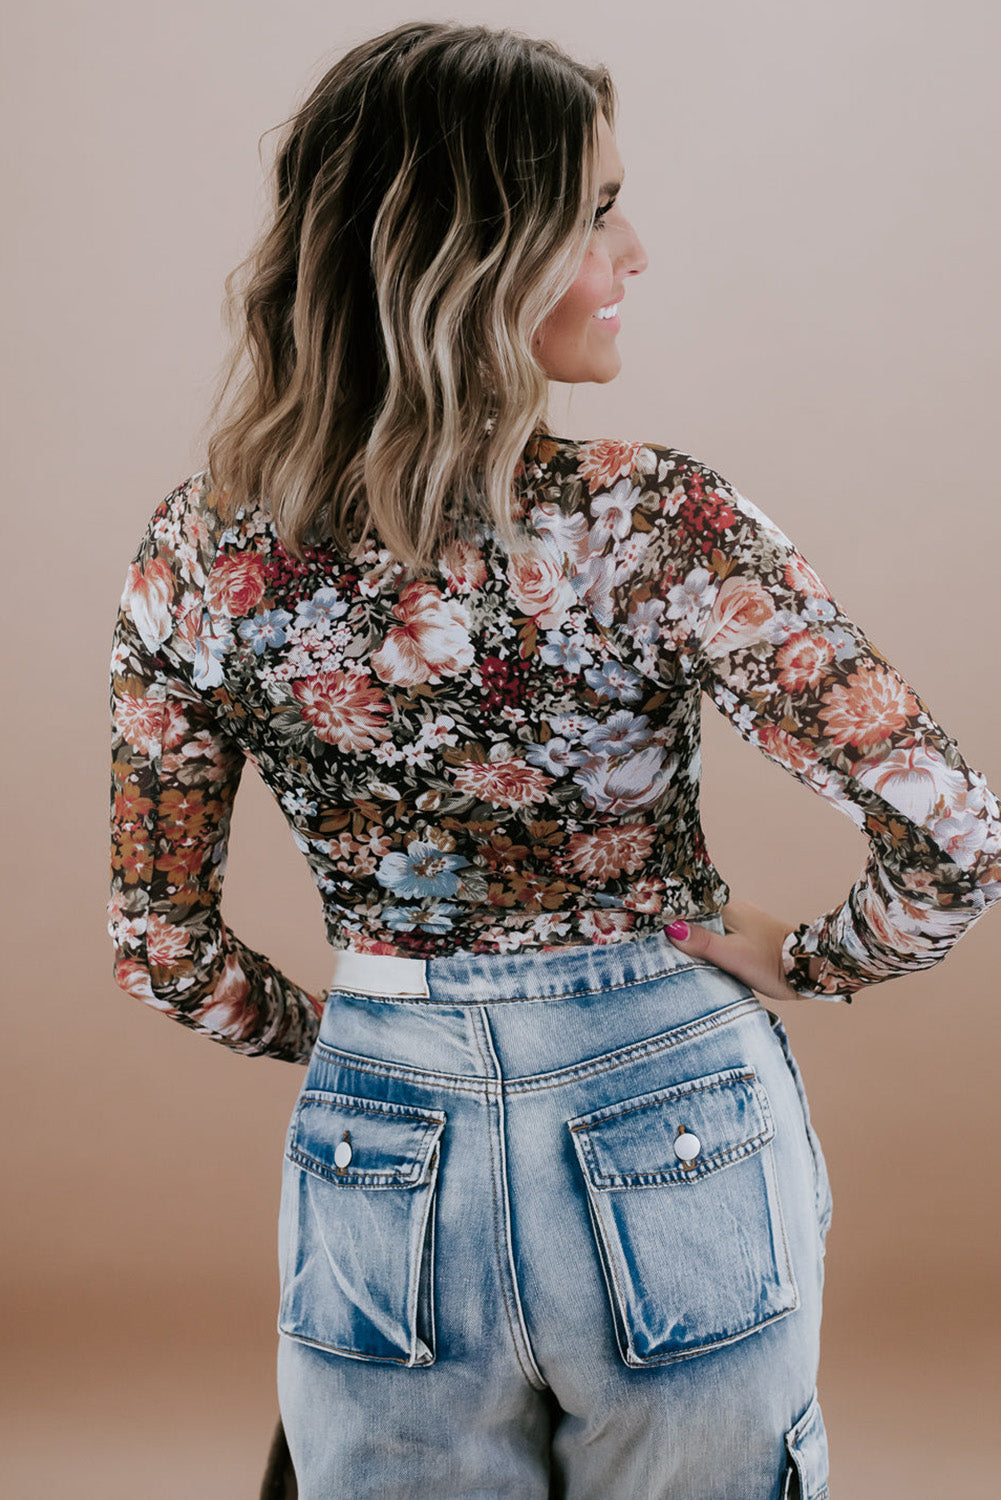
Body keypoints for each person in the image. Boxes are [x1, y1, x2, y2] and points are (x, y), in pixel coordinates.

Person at [107, 20, 1001, 1500]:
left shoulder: (199, 554)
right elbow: (955, 835)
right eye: (594, 213)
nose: (635, 250)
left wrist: (360, 1038)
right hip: (672, 1102)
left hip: (377, 1134)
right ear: (477, 254)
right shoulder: (656, 524)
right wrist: (813, 960)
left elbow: (158, 947)